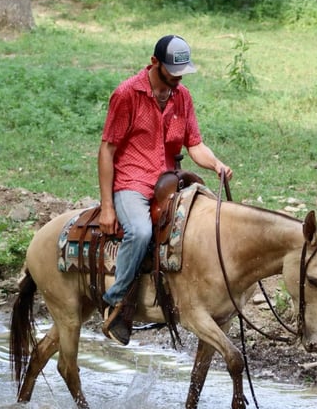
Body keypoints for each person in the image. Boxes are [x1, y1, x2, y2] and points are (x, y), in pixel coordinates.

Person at [97, 34, 233, 345]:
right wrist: (107, 206)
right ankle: (116, 302)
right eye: (173, 71)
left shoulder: (181, 96)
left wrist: (216, 165)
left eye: (182, 72)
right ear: (155, 62)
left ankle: (186, 295)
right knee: (141, 232)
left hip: (168, 181)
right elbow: (107, 150)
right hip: (131, 181)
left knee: (207, 224)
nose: (177, 78)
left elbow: (194, 144)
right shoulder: (127, 94)